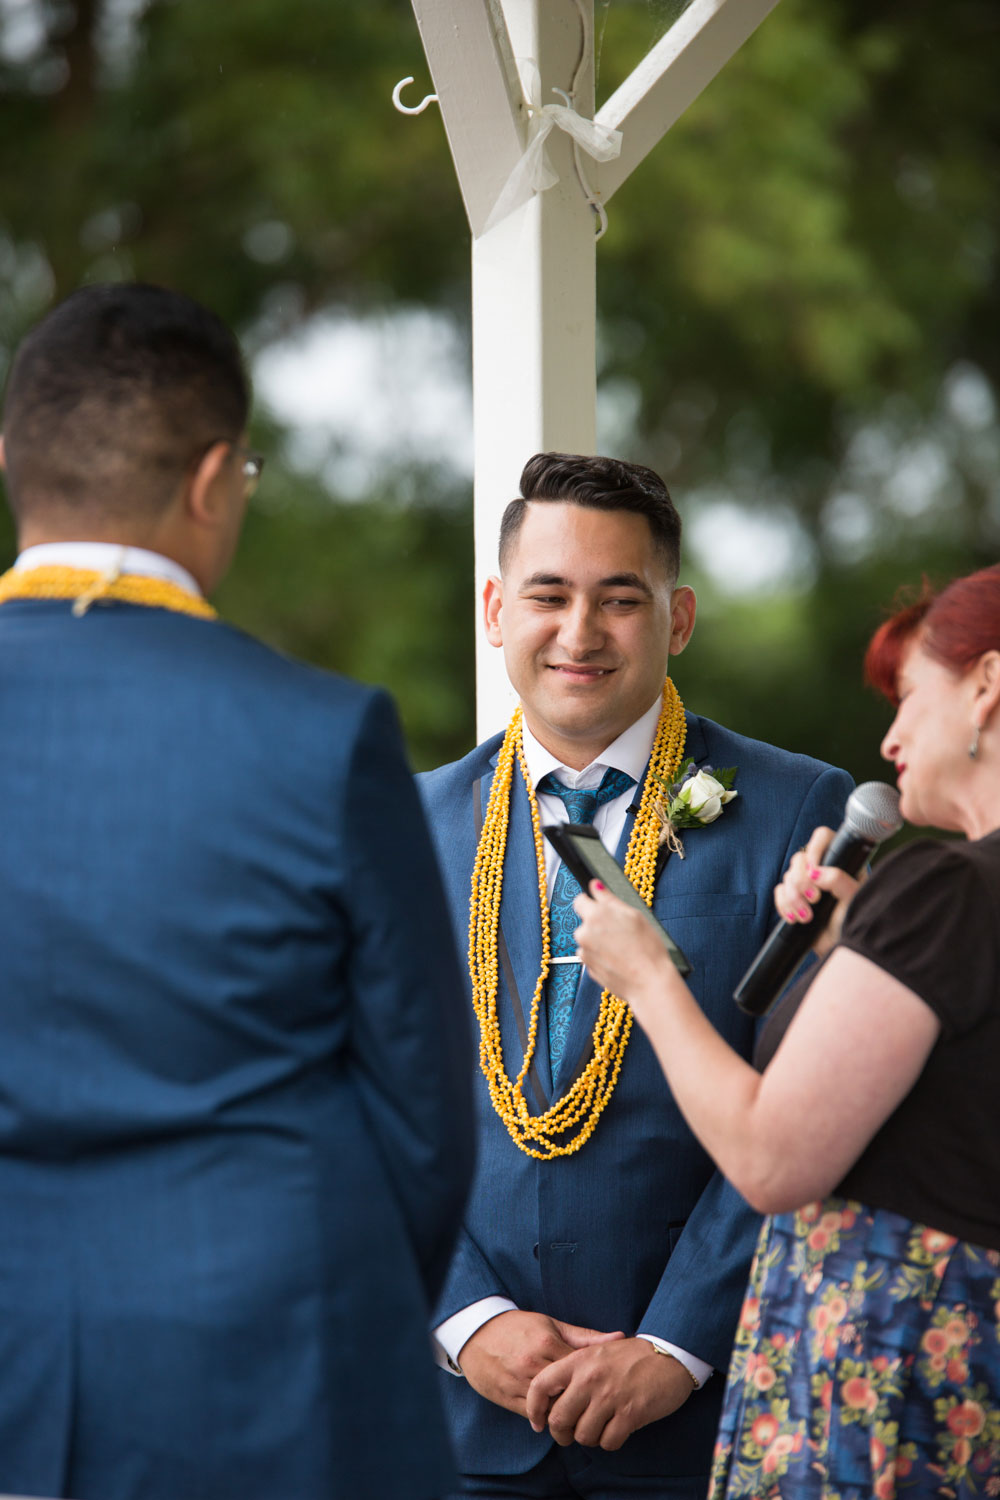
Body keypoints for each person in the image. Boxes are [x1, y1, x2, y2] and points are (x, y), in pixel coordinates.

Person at [0, 282, 475, 1500]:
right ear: (215, 479)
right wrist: (353, 1308)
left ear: (12, 457)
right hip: (272, 1365)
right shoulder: (320, 735)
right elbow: (423, 1110)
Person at [418, 452, 853, 1498]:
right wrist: (466, 1320)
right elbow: (358, 1105)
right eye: (548, 596)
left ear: (680, 617)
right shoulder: (406, 822)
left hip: (698, 1419)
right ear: (493, 608)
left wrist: (672, 1347)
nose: (579, 634)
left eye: (621, 599)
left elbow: (817, 1106)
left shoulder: (796, 811)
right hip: (459, 1423)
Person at [569, 564, 1000, 1497]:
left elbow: (772, 1158)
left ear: (986, 685)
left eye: (910, 696)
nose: (891, 736)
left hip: (896, 1358)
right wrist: (842, 947)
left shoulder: (950, 889)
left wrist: (647, 975)